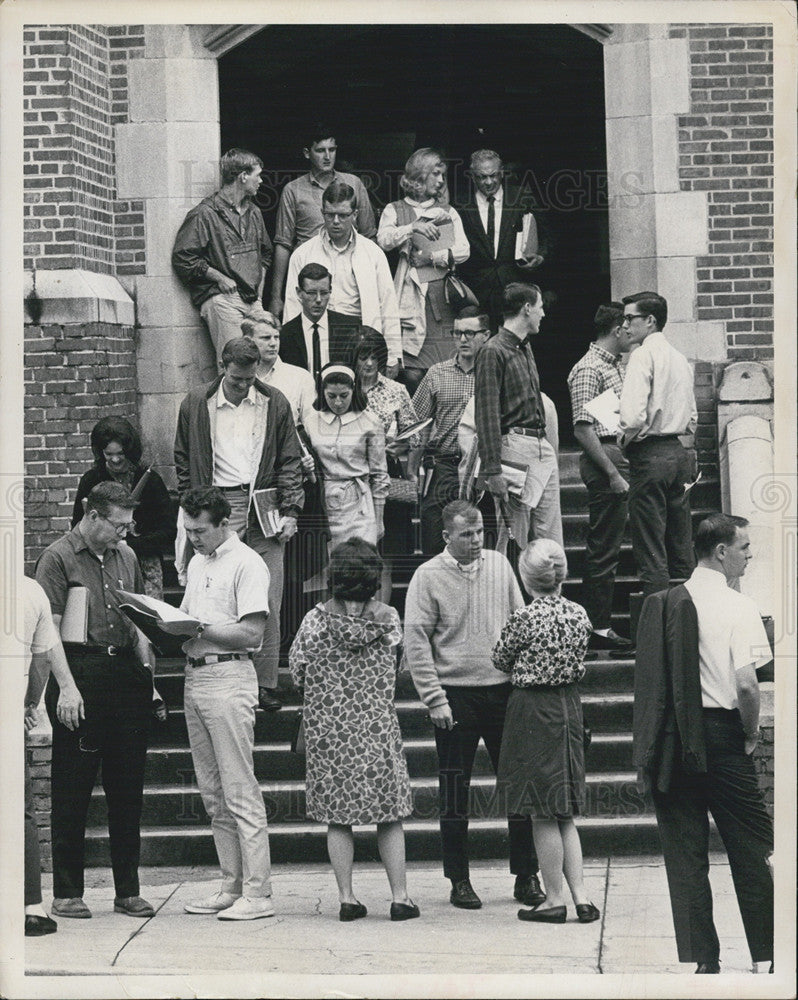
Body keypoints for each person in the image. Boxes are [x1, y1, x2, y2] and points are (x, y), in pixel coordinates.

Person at [633, 513, 774, 974]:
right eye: (745, 547)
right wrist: (751, 733)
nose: (749, 555)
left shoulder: (665, 601)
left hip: (673, 738)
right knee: (752, 846)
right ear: (721, 552)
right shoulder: (739, 607)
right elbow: (748, 687)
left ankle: (704, 961)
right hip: (723, 736)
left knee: (685, 852)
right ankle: (767, 952)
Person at [403, 500, 544, 911]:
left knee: (518, 787)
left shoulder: (500, 565)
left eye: (480, 532)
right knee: (453, 791)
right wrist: (434, 699)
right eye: (466, 534)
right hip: (454, 696)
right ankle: (459, 878)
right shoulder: (427, 576)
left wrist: (523, 682)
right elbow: (416, 643)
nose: (476, 541)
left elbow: (522, 622)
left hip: (504, 691)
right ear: (446, 536)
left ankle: (526, 874)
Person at [35, 481, 157, 920]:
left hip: (125, 672)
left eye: (129, 524)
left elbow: (138, 621)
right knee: (74, 786)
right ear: (92, 515)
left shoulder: (127, 556)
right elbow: (46, 632)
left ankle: (128, 889)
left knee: (129, 788)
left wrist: (150, 679)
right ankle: (67, 892)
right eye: (118, 525)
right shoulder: (57, 557)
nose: (125, 533)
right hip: (80, 670)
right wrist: (66, 687)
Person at [289, 538, 419, 922]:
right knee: (389, 815)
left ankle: (347, 898)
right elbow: (400, 667)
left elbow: (298, 671)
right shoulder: (390, 620)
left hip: (329, 733)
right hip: (376, 729)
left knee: (338, 818)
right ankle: (400, 897)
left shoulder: (314, 620)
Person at [174, 336, 304, 712]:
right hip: (216, 501)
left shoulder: (274, 400)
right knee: (213, 589)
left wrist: (291, 510)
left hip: (262, 501)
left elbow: (290, 460)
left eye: (249, 379)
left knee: (267, 598)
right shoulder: (196, 402)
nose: (244, 386)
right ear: (222, 367)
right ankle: (211, 670)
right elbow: (182, 456)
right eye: (236, 380)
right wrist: (193, 501)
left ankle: (265, 683)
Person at [177, 487, 275, 921]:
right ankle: (230, 885)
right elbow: (185, 622)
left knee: (239, 788)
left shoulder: (248, 563)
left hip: (230, 676)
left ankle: (259, 893)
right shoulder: (197, 562)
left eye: (199, 530)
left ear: (224, 523)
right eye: (187, 530)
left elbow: (252, 634)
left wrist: (200, 627)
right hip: (195, 678)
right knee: (213, 794)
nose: (192, 538)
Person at [493, 539, 599, 924]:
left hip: (533, 710)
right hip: (569, 705)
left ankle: (554, 897)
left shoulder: (524, 618)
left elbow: (500, 658)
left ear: (527, 578)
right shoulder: (579, 613)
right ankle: (581, 897)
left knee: (541, 810)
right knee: (565, 811)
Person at [618, 290, 697, 597]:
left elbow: (633, 416)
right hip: (678, 454)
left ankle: (656, 636)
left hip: (649, 455)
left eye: (629, 318)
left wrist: (625, 439)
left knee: (650, 545)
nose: (624, 326)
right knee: (680, 541)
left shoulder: (642, 355)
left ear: (649, 321)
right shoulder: (680, 358)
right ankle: (684, 630)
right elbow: (692, 416)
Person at [474, 282, 563, 550]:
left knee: (550, 538)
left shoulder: (525, 347)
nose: (543, 314)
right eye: (539, 307)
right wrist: (493, 470)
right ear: (526, 309)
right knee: (515, 539)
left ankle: (547, 592)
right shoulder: (493, 350)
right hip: (514, 448)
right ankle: (511, 592)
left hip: (540, 446)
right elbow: (486, 414)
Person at [567, 303, 634, 655]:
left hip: (619, 454)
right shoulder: (589, 369)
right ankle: (597, 627)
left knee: (609, 547)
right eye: (628, 326)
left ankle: (601, 624)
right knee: (603, 549)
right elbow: (582, 428)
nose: (631, 333)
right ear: (617, 329)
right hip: (604, 458)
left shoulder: (613, 367)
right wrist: (611, 474)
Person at [283, 180, 402, 377]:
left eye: (343, 215)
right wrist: (292, 353)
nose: (336, 221)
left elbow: (388, 303)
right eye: (330, 215)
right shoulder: (302, 254)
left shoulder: (373, 253)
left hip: (360, 341)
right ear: (322, 213)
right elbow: (292, 305)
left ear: (355, 215)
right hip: (318, 338)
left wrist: (393, 355)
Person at [376, 148, 470, 395]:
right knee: (413, 372)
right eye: (436, 174)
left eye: (443, 175)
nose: (441, 181)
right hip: (409, 296)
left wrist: (433, 256)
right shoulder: (394, 209)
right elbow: (383, 240)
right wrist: (412, 228)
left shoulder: (448, 211)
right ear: (419, 176)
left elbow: (464, 250)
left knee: (445, 369)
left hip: (441, 297)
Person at [22, 576, 84, 936]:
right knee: (21, 812)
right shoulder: (31, 591)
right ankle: (31, 905)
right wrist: (29, 701)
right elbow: (42, 658)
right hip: (7, 718)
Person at [172, 148, 274, 364]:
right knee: (237, 362)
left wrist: (260, 288)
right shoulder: (204, 214)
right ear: (243, 177)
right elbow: (183, 257)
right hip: (224, 300)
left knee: (267, 361)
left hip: (253, 298)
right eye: (258, 175)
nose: (261, 181)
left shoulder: (254, 212)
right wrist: (219, 277)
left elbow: (265, 253)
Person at [269, 127, 377, 317]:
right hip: (309, 275)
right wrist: (276, 297)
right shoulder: (293, 190)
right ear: (306, 153)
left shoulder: (354, 184)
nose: (327, 156)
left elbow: (369, 236)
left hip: (349, 274)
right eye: (320, 151)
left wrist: (373, 289)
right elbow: (283, 244)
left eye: (332, 150)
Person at [412, 306, 490, 554]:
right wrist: (412, 470)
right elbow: (419, 424)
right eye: (457, 333)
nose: (463, 339)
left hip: (483, 467)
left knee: (484, 538)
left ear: (485, 335)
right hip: (444, 464)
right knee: (434, 535)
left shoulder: (496, 373)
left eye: (470, 333)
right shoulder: (437, 373)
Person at [71, 416, 175, 600]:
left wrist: (130, 545)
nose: (115, 459)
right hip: (102, 564)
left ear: (130, 450)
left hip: (145, 566)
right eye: (108, 454)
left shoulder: (150, 481)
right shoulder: (91, 480)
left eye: (120, 453)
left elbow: (168, 531)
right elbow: (78, 527)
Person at [352, 330, 423, 593]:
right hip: (351, 474)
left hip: (388, 473)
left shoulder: (396, 390)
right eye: (363, 357)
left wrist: (400, 445)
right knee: (354, 556)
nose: (369, 363)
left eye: (374, 357)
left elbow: (415, 437)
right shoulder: (342, 388)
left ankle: (382, 625)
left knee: (385, 558)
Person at [303, 364, 390, 550]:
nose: (338, 402)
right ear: (322, 393)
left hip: (359, 503)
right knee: (326, 564)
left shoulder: (370, 422)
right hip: (324, 503)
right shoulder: (311, 422)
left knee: (359, 563)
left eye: (344, 396)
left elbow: (380, 474)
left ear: (354, 391)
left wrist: (379, 519)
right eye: (331, 396)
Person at [458, 149, 546, 332]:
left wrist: (541, 257)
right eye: (482, 177)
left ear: (502, 172)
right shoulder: (461, 205)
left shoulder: (522, 197)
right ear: (473, 177)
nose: (488, 182)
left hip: (516, 289)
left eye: (493, 176)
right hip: (477, 293)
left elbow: (547, 236)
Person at [279, 262, 356, 389]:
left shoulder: (349, 328)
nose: (319, 299)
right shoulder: (285, 335)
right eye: (311, 293)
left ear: (330, 291)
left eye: (324, 293)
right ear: (299, 293)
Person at [241, 315, 316, 426]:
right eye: (266, 338)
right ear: (248, 341)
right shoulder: (236, 378)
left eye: (276, 337)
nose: (273, 343)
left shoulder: (301, 377)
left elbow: (312, 426)